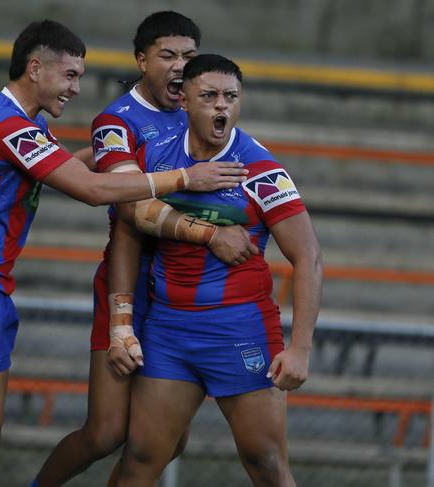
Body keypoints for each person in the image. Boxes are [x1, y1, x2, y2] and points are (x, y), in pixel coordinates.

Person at [0, 19, 246, 487]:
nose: (76, 90)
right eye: (70, 76)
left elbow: (70, 166)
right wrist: (183, 178)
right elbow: (87, 188)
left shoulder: (24, 121)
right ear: (36, 68)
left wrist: (116, 155)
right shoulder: (8, 125)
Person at [30, 12, 257, 487]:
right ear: (142, 60)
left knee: (167, 443)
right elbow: (132, 208)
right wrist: (211, 233)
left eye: (189, 56)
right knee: (105, 433)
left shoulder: (199, 109)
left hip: (180, 290)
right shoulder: (117, 120)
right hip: (130, 279)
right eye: (167, 55)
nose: (180, 66)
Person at [114, 54, 323, 487]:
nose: (221, 106)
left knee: (265, 462)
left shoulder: (259, 168)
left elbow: (308, 256)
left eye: (230, 97)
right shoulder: (155, 158)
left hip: (239, 329)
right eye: (209, 96)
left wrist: (300, 347)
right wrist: (122, 322)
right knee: (140, 457)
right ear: (185, 101)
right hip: (169, 330)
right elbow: (127, 228)